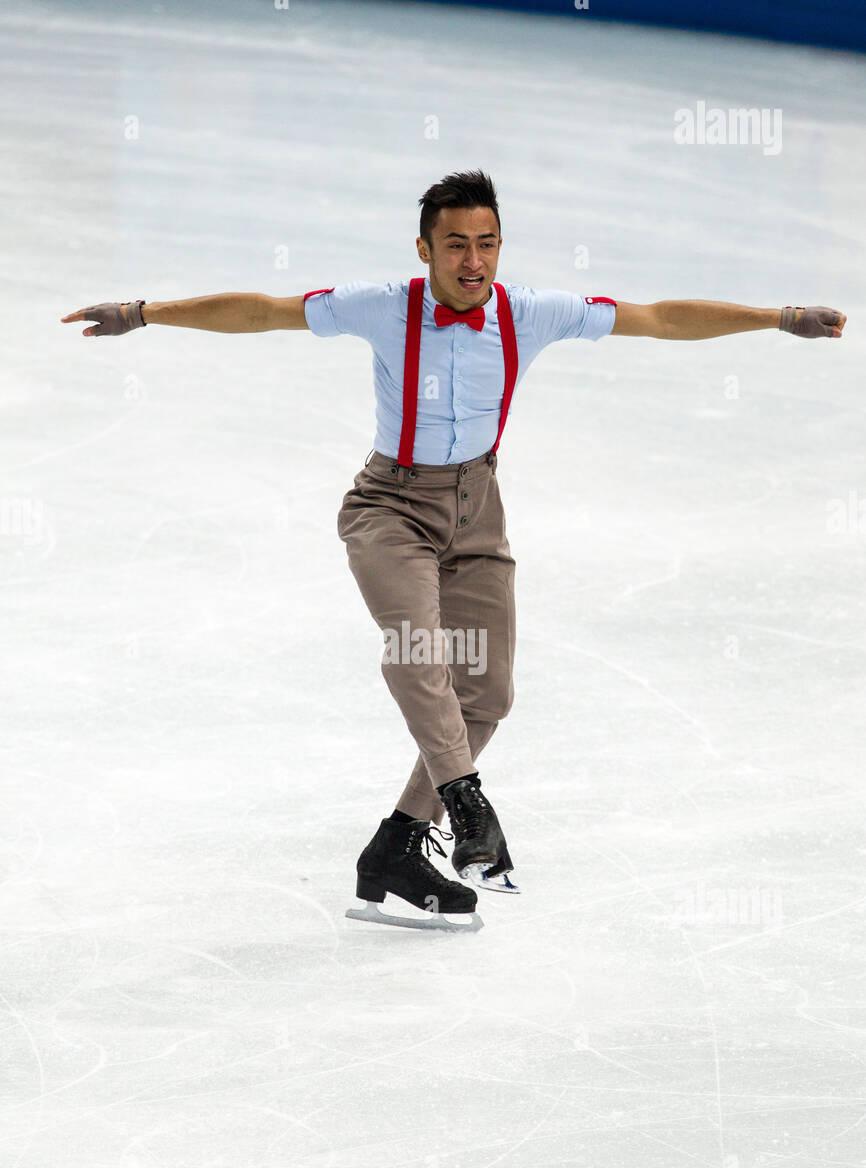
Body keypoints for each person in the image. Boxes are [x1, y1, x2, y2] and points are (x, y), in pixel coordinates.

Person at [61, 168, 846, 929]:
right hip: (390, 505)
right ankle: (470, 810)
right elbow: (264, 310)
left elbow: (660, 317)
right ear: (424, 250)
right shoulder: (379, 308)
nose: (474, 261)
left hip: (478, 511)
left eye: (488, 243)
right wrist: (143, 311)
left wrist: (779, 317)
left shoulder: (530, 313)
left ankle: (396, 848)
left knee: (487, 693)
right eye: (457, 245)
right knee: (416, 648)